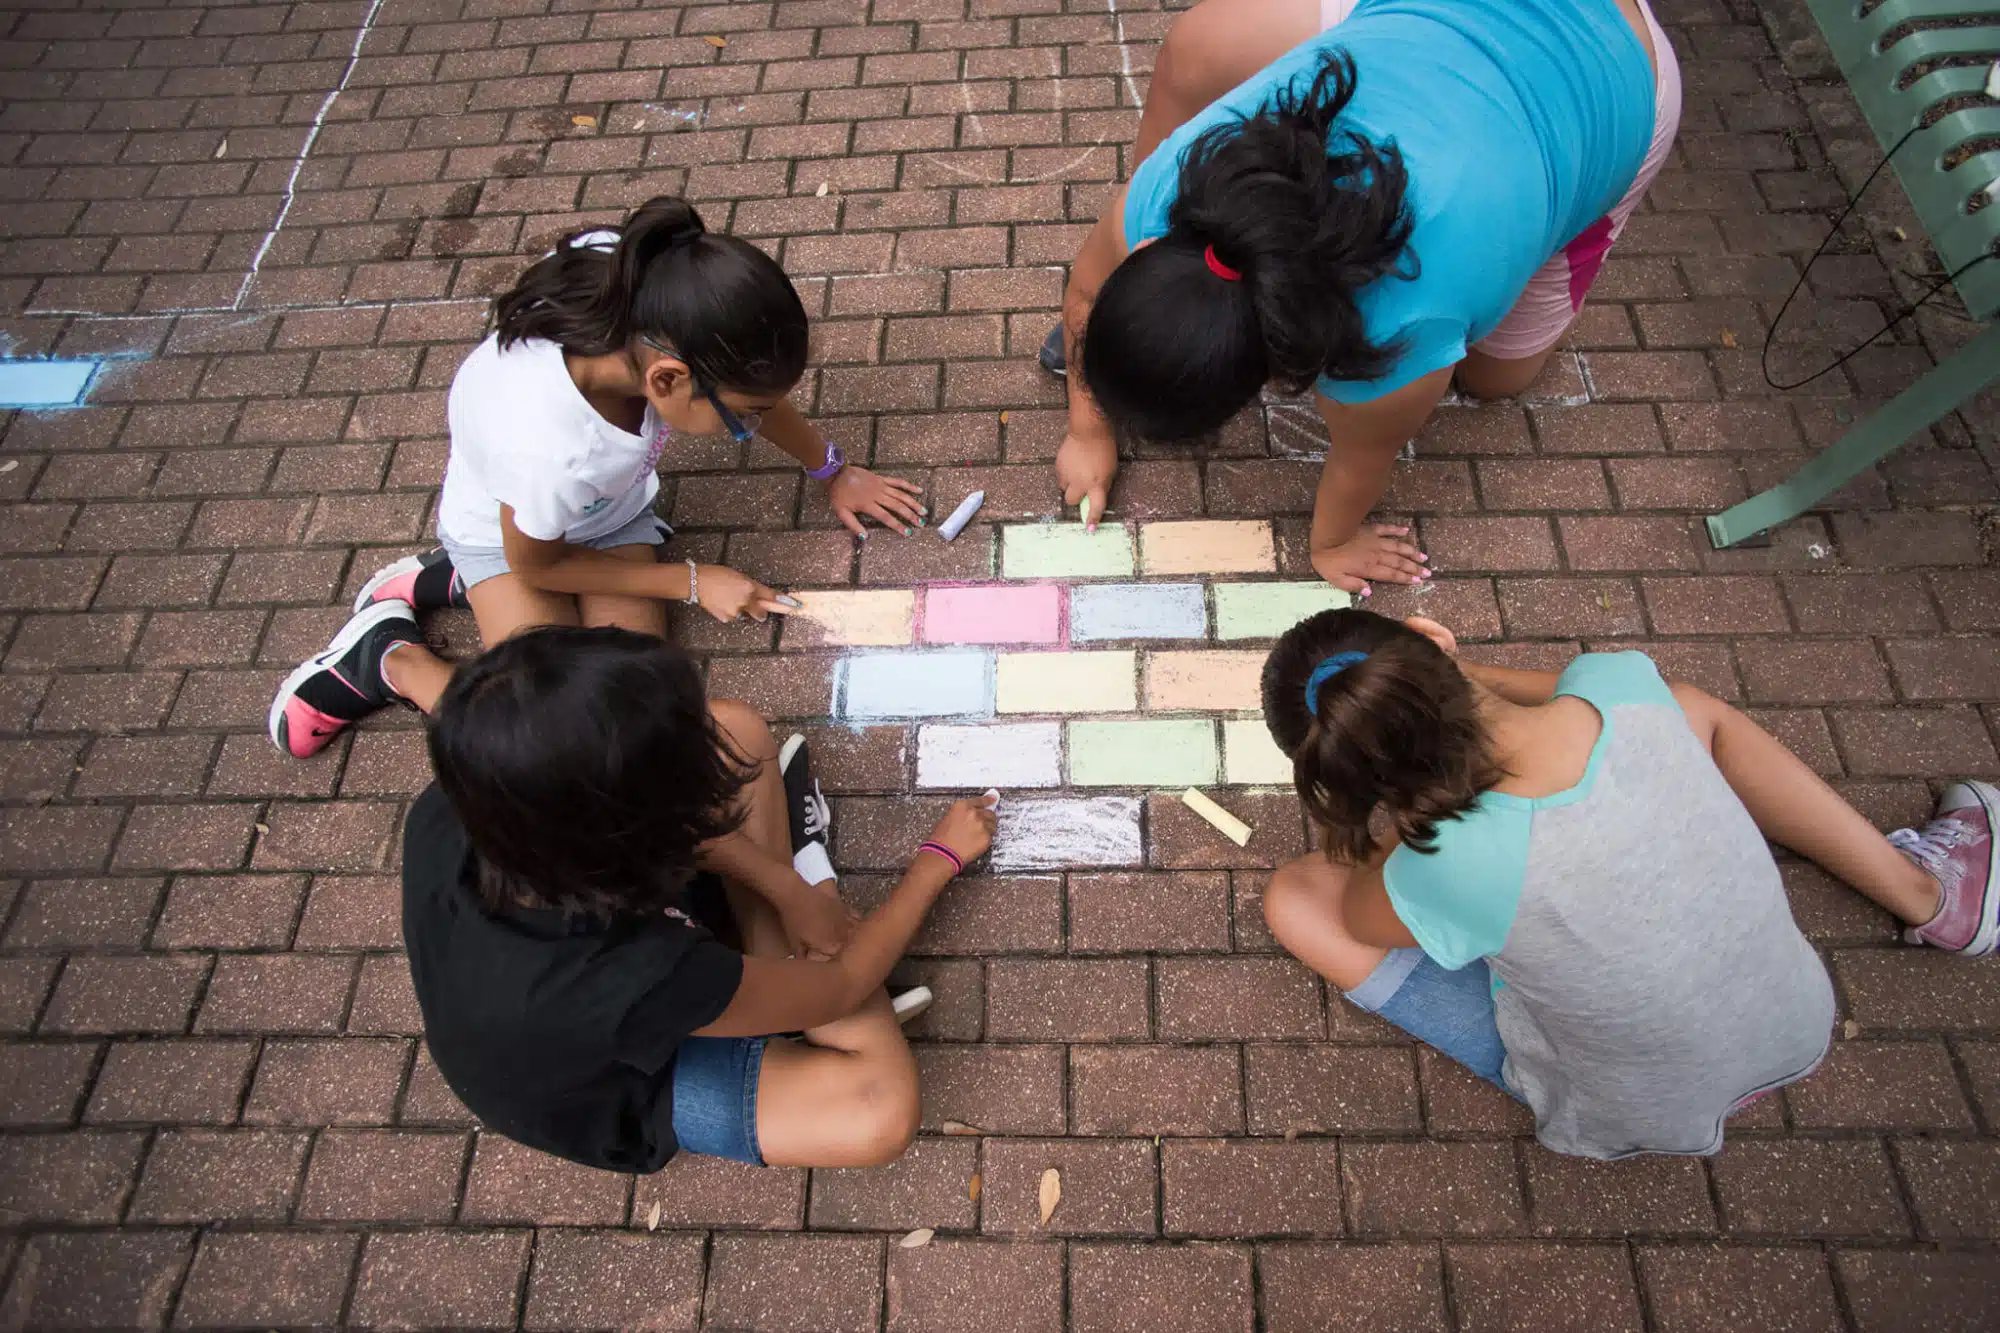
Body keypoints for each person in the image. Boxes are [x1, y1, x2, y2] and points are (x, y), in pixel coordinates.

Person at [1257, 608, 1998, 1159]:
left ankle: (1549, 1075)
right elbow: (1538, 703)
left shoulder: (1440, 863)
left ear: (1350, 778)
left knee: (1295, 900)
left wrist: (1398, 810)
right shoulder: (1619, 683)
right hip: (1798, 1014)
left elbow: (1359, 913)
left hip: (1634, 1108)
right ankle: (1927, 895)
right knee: (1689, 705)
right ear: (1430, 639)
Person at [1047, 0, 1679, 595]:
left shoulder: (1396, 330)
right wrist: (1087, 430)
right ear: (1148, 253)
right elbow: (1085, 289)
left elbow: (1361, 458)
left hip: (1614, 75)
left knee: (1494, 380)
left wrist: (1334, 543)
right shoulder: (1172, 182)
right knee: (1194, 49)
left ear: (1263, 376)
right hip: (1437, 34)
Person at [269, 195, 927, 757]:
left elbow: (753, 385)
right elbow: (538, 566)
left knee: (636, 706)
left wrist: (831, 469)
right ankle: (392, 660)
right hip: (516, 544)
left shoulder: (652, 292)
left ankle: (447, 581)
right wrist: (696, 582)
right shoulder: (549, 450)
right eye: (741, 421)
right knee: (557, 739)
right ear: (668, 379)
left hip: (593, 517)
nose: (749, 428)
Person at [402, 625, 999, 1171]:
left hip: (598, 974)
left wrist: (785, 887)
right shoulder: (629, 978)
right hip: (621, 1083)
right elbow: (843, 982)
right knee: (879, 1111)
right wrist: (936, 862)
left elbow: (663, 819)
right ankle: (780, 999)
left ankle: (779, 981)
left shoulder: (482, 797)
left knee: (734, 731)